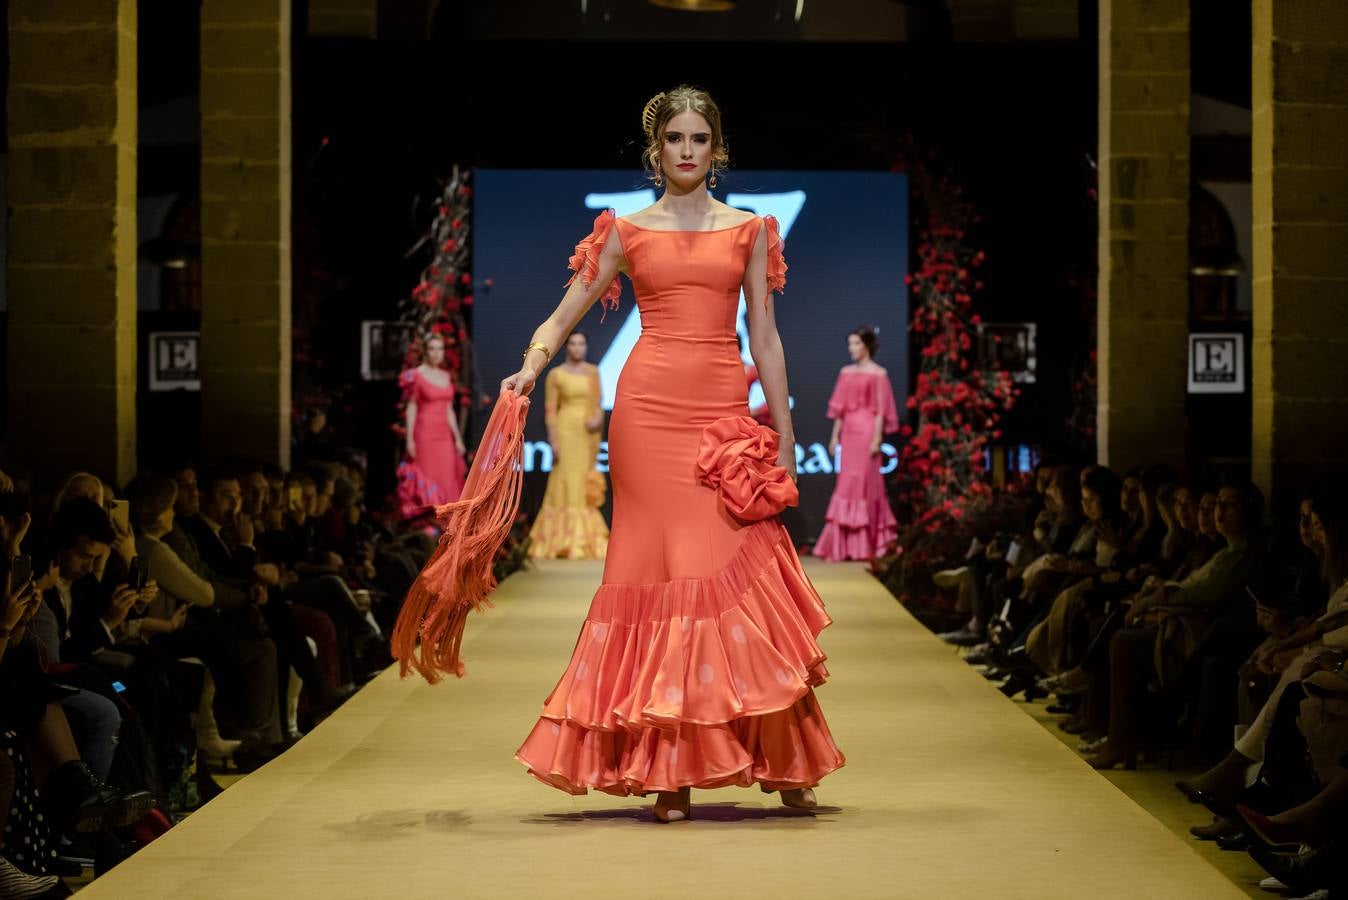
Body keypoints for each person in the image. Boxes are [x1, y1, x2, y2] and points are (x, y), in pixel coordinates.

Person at [497, 86, 845, 822]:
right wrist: (531, 365)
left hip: (721, 414)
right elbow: (564, 315)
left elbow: (768, 336)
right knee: (656, 574)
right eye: (674, 139)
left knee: (741, 575)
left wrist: (781, 427)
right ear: (657, 150)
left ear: (716, 149)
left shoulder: (749, 230)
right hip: (647, 419)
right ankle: (667, 766)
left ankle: (784, 759)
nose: (687, 150)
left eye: (700, 139)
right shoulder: (625, 231)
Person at [813, 327, 900, 561]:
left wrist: (877, 438)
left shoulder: (878, 374)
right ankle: (843, 547)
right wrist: (834, 437)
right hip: (850, 433)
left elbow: (881, 411)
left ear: (866, 346)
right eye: (850, 343)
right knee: (846, 485)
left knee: (865, 486)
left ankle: (867, 546)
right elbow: (839, 409)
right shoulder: (846, 372)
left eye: (856, 343)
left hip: (867, 432)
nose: (852, 348)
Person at [528, 330, 610, 559]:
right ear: (567, 347)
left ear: (586, 347)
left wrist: (598, 416)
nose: (577, 348)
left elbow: (598, 402)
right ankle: (559, 540)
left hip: (586, 434)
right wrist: (553, 440)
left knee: (583, 479)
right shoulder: (556, 375)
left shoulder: (593, 372)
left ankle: (585, 539)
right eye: (573, 343)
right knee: (563, 480)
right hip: (565, 430)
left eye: (581, 344)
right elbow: (551, 411)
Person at [397, 333, 468, 519]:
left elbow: (449, 410)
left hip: (444, 435)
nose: (437, 353)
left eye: (440, 349)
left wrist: (458, 438)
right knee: (427, 473)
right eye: (432, 349)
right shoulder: (416, 375)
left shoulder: (445, 375)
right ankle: (425, 524)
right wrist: (410, 438)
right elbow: (411, 407)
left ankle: (443, 524)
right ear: (425, 352)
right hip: (424, 433)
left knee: (446, 476)